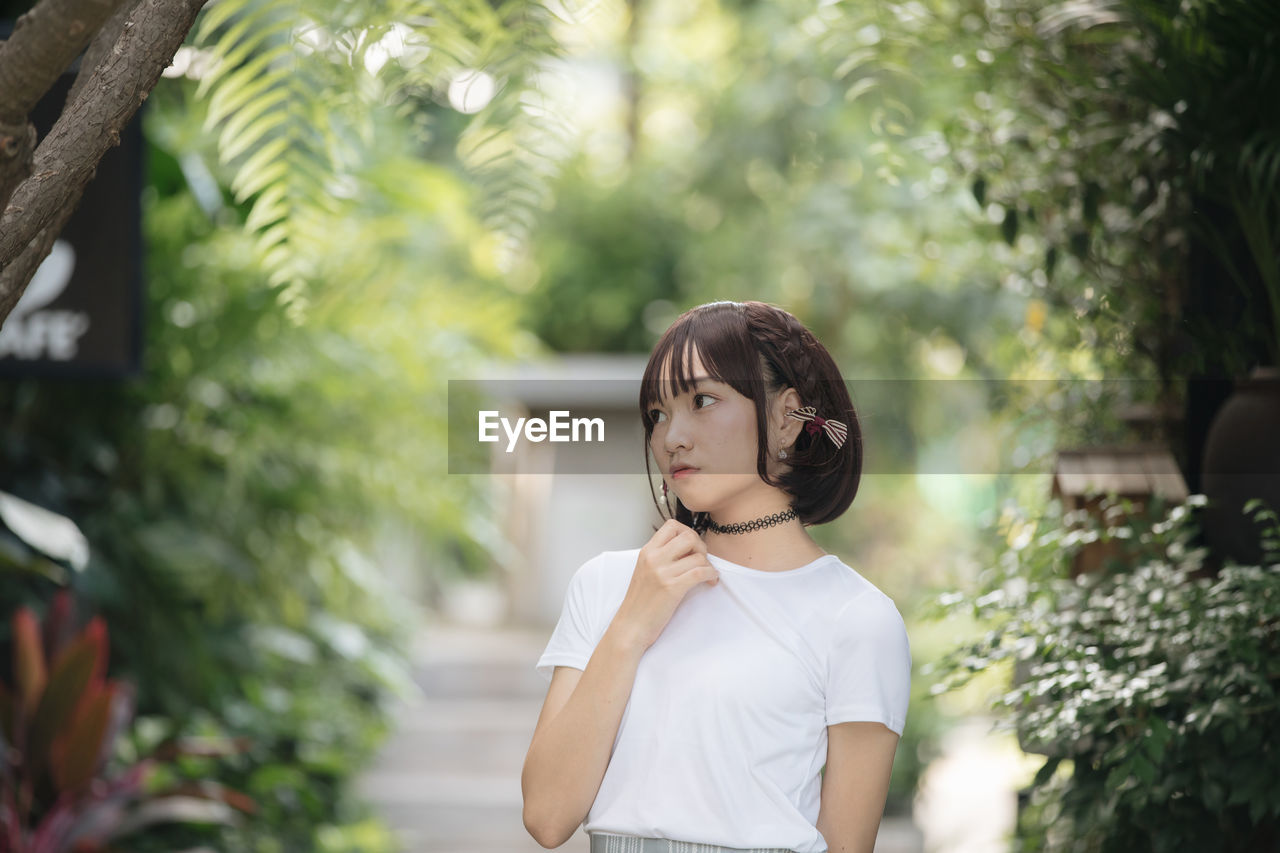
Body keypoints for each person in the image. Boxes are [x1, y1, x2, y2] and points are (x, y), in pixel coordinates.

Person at [521, 300, 911, 853]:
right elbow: (545, 815)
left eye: (703, 401)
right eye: (658, 413)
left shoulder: (856, 619)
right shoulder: (609, 585)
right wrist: (632, 627)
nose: (671, 437)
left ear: (785, 417)